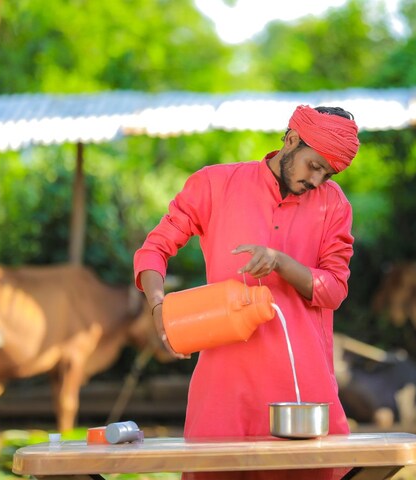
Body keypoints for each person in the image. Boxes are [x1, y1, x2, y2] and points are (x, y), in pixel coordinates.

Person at [133, 105, 359, 479]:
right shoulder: (214, 185)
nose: (317, 180)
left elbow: (334, 289)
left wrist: (281, 263)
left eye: (327, 173)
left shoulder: (333, 204)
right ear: (291, 140)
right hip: (224, 383)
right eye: (313, 165)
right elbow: (153, 249)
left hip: (301, 386)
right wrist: (158, 305)